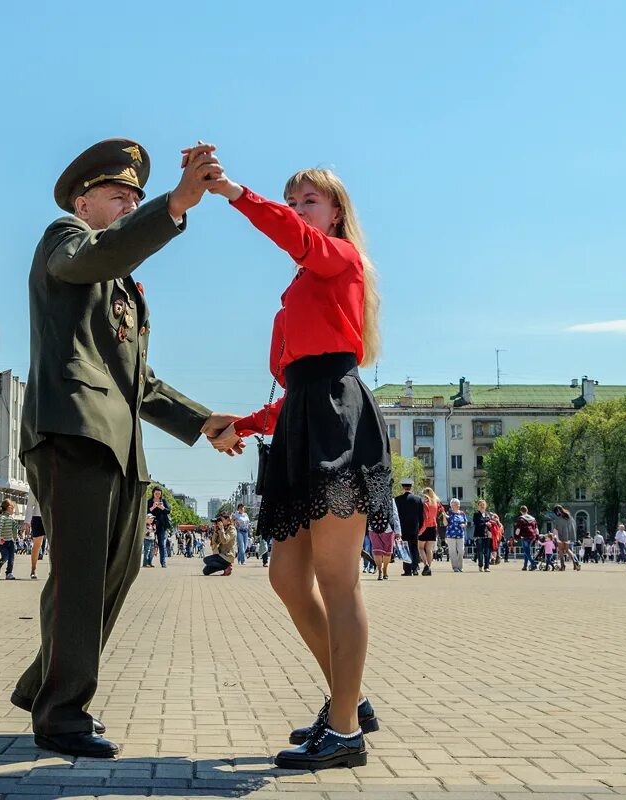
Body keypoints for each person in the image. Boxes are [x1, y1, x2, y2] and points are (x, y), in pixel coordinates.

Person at [10, 138, 237, 760]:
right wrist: (174, 205)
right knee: (81, 577)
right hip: (74, 431)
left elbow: (142, 383)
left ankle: (44, 685)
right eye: (119, 195)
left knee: (118, 570)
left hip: (119, 444)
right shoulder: (64, 238)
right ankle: (61, 714)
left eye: (137, 197)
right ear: (83, 200)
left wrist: (204, 420)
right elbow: (102, 250)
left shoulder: (122, 287)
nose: (129, 204)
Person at [206, 164, 388, 771]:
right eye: (292, 200)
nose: (299, 207)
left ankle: (344, 731)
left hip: (337, 418)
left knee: (339, 581)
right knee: (287, 577)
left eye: (309, 199)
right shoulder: (305, 281)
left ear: (335, 211)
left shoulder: (336, 257)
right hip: (303, 421)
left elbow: (294, 238)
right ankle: (350, 699)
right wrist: (247, 424)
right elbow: (291, 390)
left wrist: (235, 193)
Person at [394, 479, 424, 576]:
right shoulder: (418, 499)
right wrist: (420, 527)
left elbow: (395, 515)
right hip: (414, 528)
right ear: (411, 487)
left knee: (404, 548)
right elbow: (421, 516)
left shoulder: (397, 499)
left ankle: (407, 570)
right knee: (414, 548)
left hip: (402, 529)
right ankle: (415, 569)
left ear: (403, 487)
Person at [367, 497, 401, 580]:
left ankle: (384, 569)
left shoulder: (372, 497)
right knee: (378, 550)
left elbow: (394, 514)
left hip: (384, 527)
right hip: (376, 527)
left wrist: (398, 531)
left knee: (387, 552)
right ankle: (380, 571)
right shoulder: (388, 498)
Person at [417, 489, 441, 576]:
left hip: (425, 527)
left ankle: (426, 565)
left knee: (420, 548)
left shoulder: (425, 504)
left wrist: (421, 530)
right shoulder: (436, 504)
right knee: (429, 549)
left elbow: (425, 518)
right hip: (433, 527)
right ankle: (429, 567)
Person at [146, 487, 172, 568]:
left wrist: (162, 507)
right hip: (151, 526)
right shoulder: (149, 501)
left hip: (161, 525)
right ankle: (148, 562)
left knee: (162, 544)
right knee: (151, 545)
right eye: (156, 493)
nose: (157, 495)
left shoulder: (163, 501)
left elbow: (168, 511)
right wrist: (153, 507)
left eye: (159, 494)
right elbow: (146, 511)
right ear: (153, 493)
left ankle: (163, 562)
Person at [0, 499, 19, 580]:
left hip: (10, 542)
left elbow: (16, 527)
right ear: (8, 508)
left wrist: (25, 527)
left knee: (11, 558)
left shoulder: (11, 519)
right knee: (5, 557)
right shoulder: (3, 518)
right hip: (3, 542)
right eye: (13, 508)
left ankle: (9, 573)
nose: (13, 510)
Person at [550, 505, 576, 571]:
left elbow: (555, 528)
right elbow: (572, 525)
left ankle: (563, 566)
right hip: (568, 535)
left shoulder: (557, 518)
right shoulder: (568, 515)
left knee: (560, 550)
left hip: (560, 535)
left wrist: (553, 536)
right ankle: (575, 563)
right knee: (567, 550)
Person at [443, 498, 467, 572]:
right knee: (452, 551)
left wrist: (464, 525)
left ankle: (460, 566)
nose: (457, 505)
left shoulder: (462, 513)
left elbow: (466, 523)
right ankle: (455, 567)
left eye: (458, 504)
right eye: (455, 504)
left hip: (460, 535)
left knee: (461, 551)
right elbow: (445, 524)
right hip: (450, 535)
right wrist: (444, 516)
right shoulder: (448, 513)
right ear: (451, 505)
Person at [515, 506, 539, 571]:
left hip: (525, 536)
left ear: (521, 511)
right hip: (532, 536)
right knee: (527, 550)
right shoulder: (533, 519)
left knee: (526, 551)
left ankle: (533, 563)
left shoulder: (521, 519)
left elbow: (518, 530)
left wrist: (516, 536)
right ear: (527, 510)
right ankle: (525, 566)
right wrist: (537, 537)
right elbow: (536, 529)